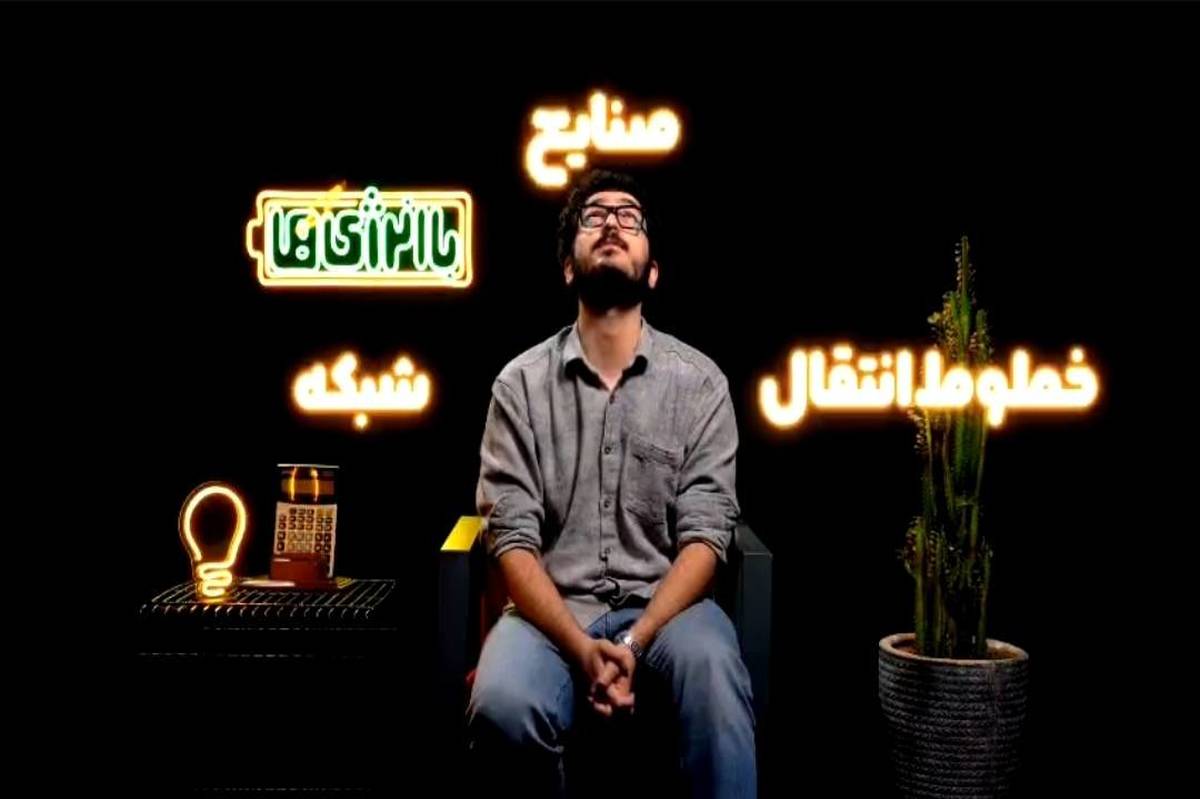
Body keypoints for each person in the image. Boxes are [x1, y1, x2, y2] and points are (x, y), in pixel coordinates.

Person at [468, 169, 756, 798]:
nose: (612, 225)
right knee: (503, 702)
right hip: (549, 614)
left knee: (715, 673)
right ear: (568, 269)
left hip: (668, 614)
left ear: (652, 273)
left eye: (630, 218)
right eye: (593, 216)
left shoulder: (700, 384)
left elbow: (706, 536)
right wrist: (580, 647)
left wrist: (633, 638)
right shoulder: (519, 386)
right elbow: (511, 540)